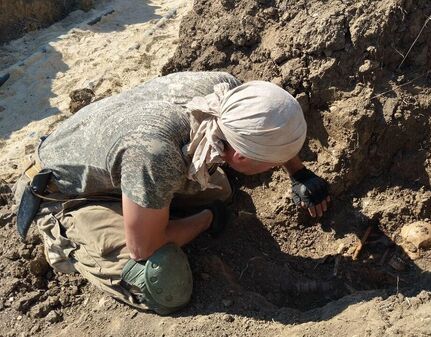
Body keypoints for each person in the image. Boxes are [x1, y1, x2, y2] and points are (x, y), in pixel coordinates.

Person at [12, 72, 330, 315]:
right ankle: (64, 239)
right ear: (241, 157)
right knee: (164, 280)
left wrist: (299, 172)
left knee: (220, 189)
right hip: (59, 193)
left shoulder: (229, 91)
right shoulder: (156, 156)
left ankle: (146, 208)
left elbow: (270, 120)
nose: (277, 166)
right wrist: (207, 220)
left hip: (114, 154)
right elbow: (144, 248)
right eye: (272, 164)